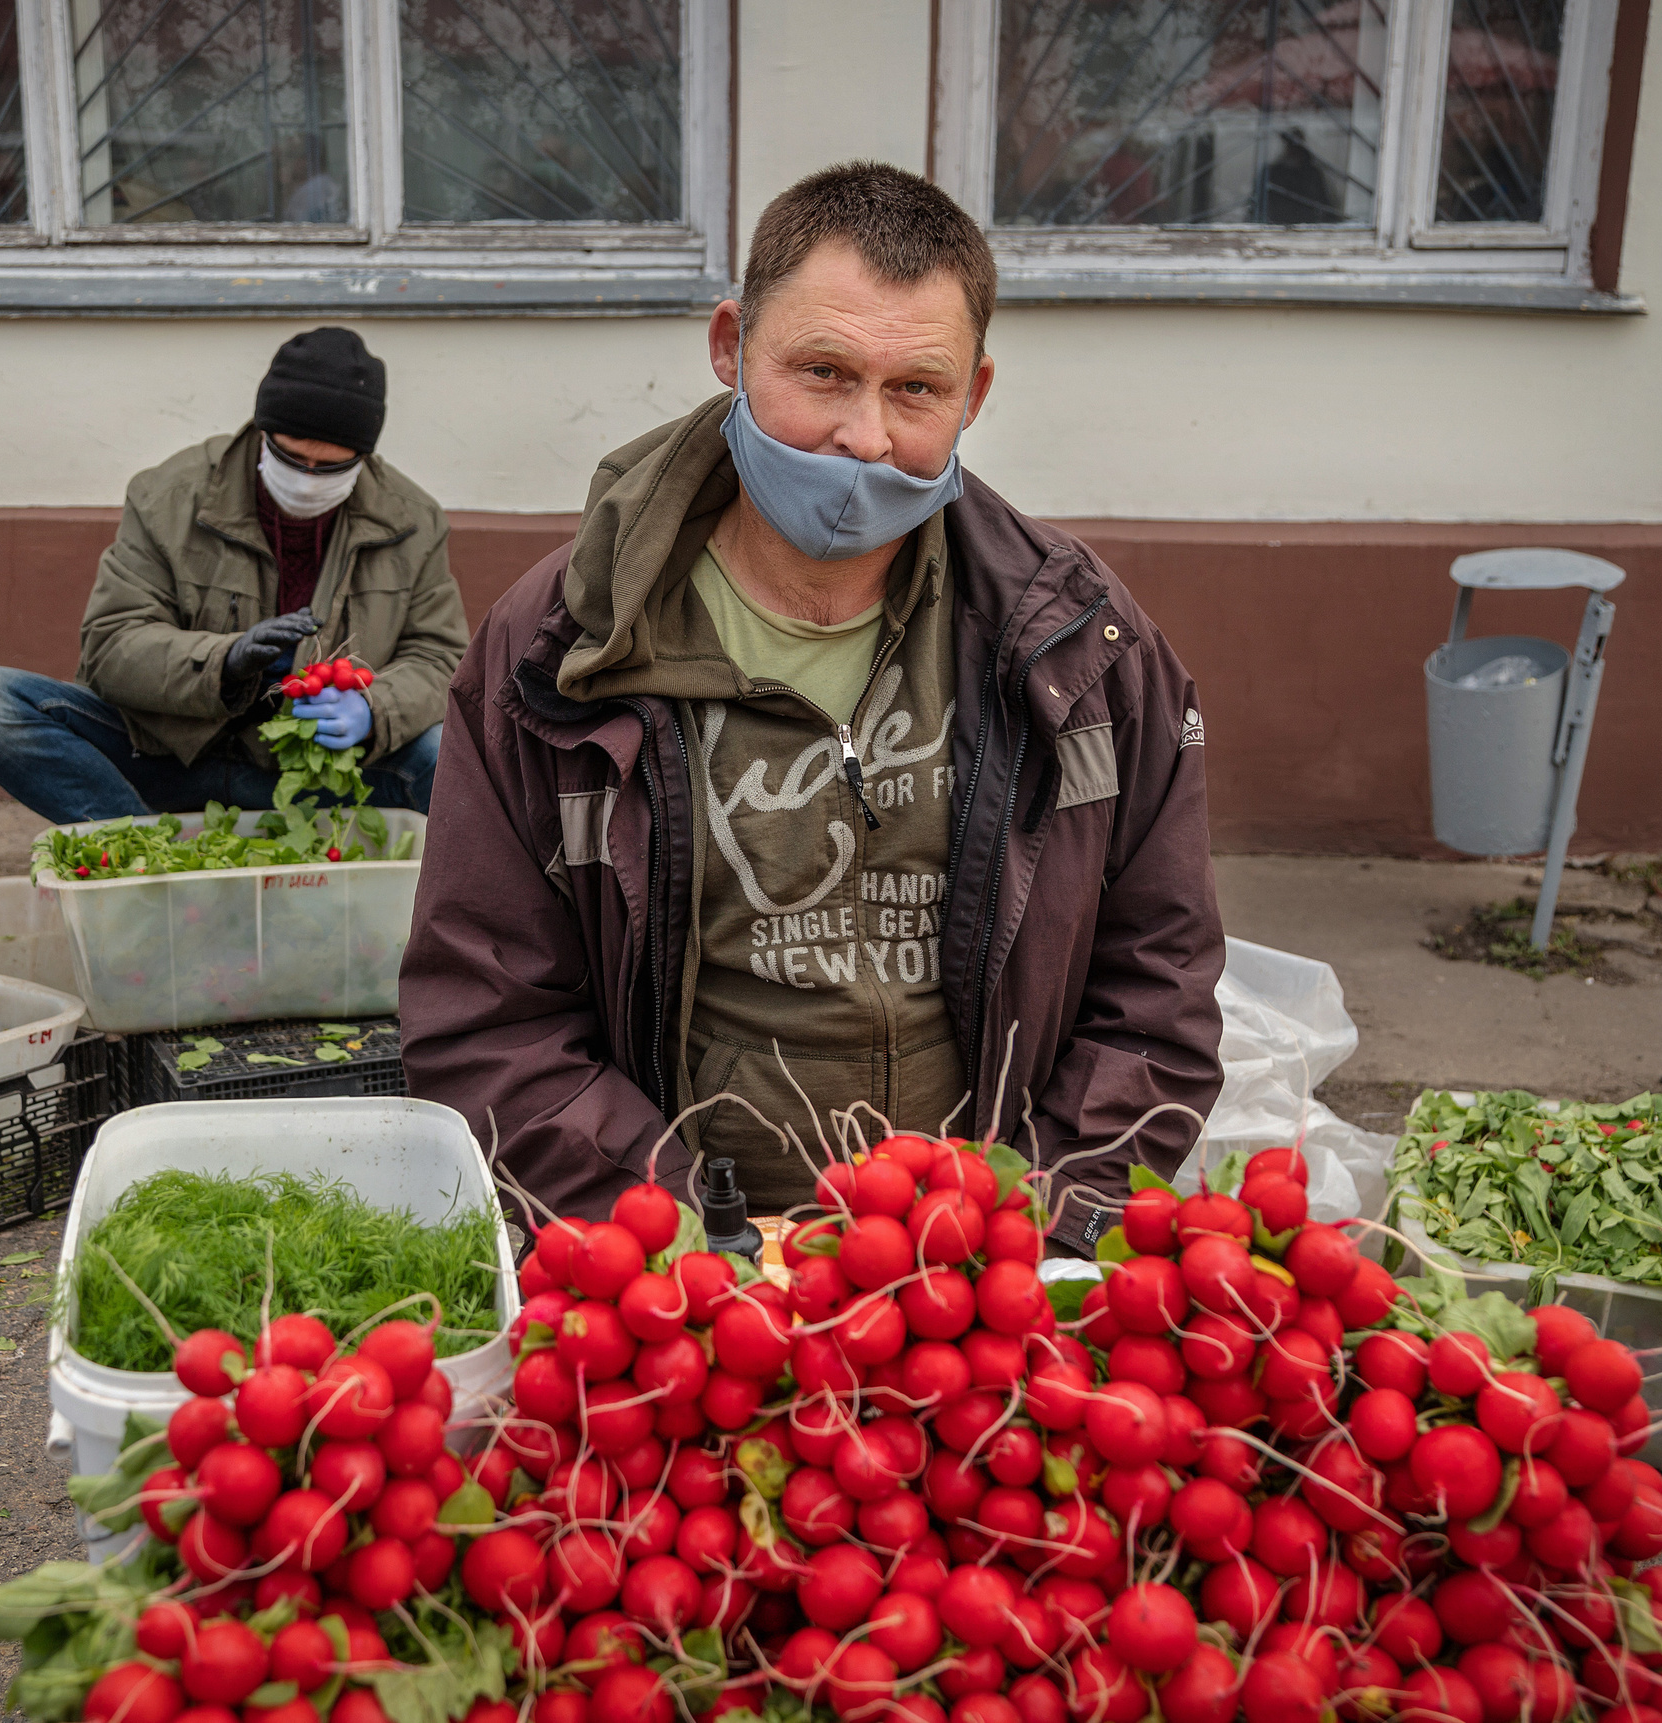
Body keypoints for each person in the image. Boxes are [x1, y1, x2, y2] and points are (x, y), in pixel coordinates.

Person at [399, 163, 1225, 1251]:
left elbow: (1157, 984)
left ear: (974, 395)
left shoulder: (1080, 645)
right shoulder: (555, 650)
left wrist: (1044, 1223)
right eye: (823, 373)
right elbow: (488, 1018)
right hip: (682, 1277)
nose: (865, 439)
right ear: (730, 346)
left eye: (915, 390)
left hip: (981, 1270)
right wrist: (691, 1243)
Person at [0, 328, 467, 821]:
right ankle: (141, 852)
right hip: (170, 756)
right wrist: (226, 661)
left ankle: (428, 899)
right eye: (292, 457)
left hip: (314, 779)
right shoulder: (167, 496)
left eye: (330, 467)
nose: (308, 481)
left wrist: (373, 710)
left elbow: (441, 657)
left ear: (363, 458)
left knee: (449, 752)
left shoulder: (412, 521)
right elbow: (109, 646)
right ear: (264, 433)